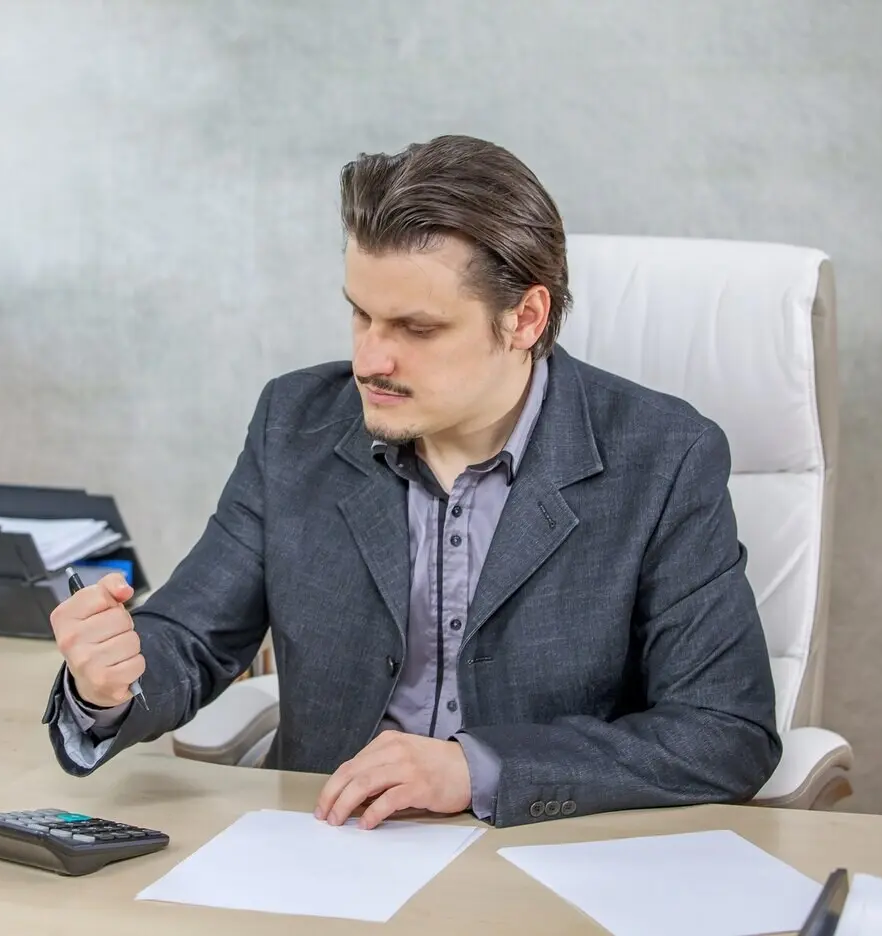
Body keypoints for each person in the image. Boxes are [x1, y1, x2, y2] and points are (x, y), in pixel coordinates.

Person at [41, 133, 782, 830]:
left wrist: (478, 769)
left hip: (537, 860)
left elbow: (724, 732)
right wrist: (107, 685)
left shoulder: (663, 459)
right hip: (323, 850)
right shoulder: (294, 424)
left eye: (415, 328)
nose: (369, 359)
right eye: (359, 315)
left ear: (525, 317)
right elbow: (190, 639)